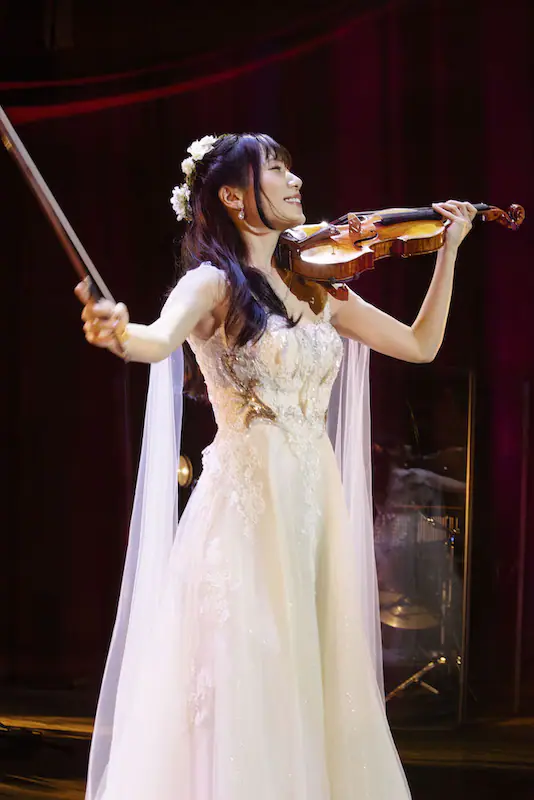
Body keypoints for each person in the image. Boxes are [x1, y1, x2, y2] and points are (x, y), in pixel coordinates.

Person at [75, 132, 476, 799]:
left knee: (312, 674)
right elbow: (155, 340)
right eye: (276, 169)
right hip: (247, 514)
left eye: (291, 167)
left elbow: (419, 345)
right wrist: (118, 332)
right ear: (234, 197)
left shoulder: (319, 288)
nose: (295, 181)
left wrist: (449, 252)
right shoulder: (211, 283)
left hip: (312, 507)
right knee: (249, 672)